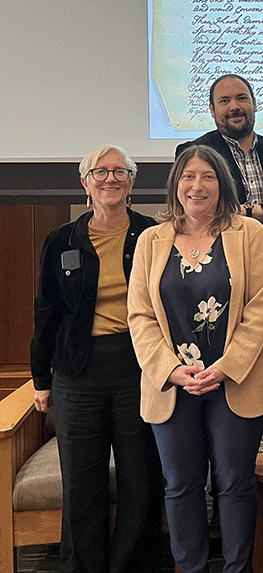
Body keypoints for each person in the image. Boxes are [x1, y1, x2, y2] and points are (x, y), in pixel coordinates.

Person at [128, 145, 263, 573]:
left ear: (222, 184)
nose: (198, 185)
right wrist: (172, 370)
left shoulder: (249, 233)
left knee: (235, 485)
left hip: (236, 381)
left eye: (208, 176)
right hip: (172, 386)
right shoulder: (150, 240)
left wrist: (225, 368)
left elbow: (260, 308)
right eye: (189, 176)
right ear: (176, 184)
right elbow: (139, 315)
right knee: (180, 486)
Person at [29, 145, 163, 573]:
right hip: (76, 371)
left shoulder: (152, 234)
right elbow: (46, 312)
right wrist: (41, 380)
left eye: (120, 171)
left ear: (132, 182)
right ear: (85, 182)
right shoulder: (60, 240)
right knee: (81, 481)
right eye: (100, 172)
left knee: (140, 477)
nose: (110, 179)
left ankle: (132, 566)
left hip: (137, 367)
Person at [176, 73, 263, 396]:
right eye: (224, 101)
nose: (234, 107)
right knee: (223, 351)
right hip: (219, 271)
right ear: (212, 110)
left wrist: (248, 211)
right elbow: (201, 213)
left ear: (254, 104)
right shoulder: (194, 152)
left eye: (241, 98)